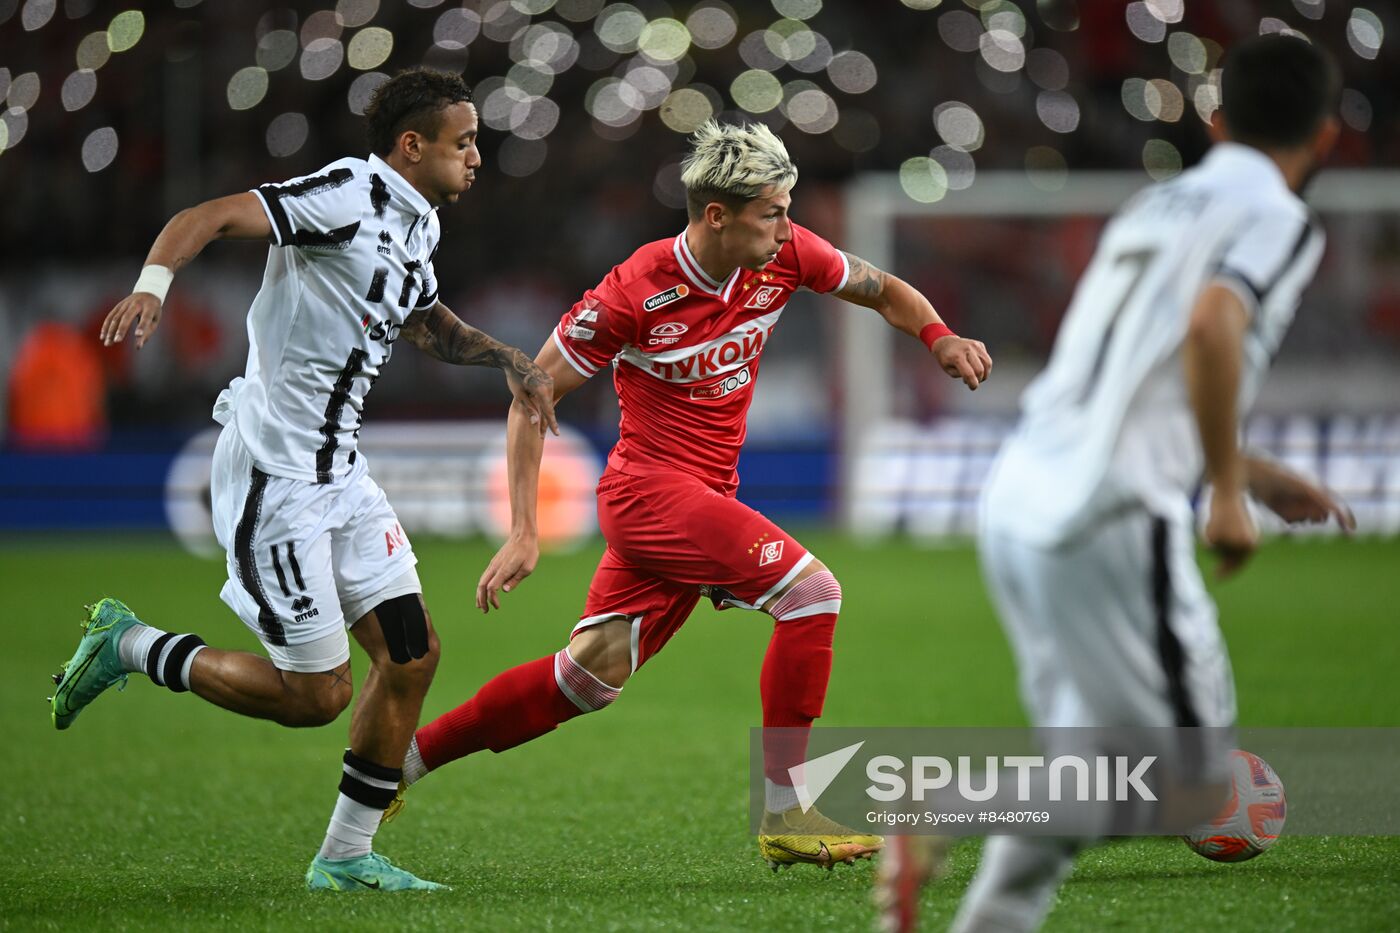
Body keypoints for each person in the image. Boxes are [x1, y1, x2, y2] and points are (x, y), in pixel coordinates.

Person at [389, 120, 993, 871]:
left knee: (585, 678)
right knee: (812, 594)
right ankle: (788, 809)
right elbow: (529, 395)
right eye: (772, 213)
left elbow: (884, 290)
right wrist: (523, 528)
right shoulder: (634, 290)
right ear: (717, 215)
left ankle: (398, 761)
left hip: (701, 497)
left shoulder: (787, 255)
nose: (787, 228)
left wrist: (939, 337)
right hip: (647, 493)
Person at [874, 33, 1355, 932]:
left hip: (1023, 492)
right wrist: (1225, 490)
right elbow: (1214, 324)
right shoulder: (1278, 217)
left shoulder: (1152, 206)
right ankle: (949, 808)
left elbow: (1122, 375)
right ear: (1326, 136)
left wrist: (1251, 472)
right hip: (1110, 511)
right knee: (1193, 784)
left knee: (1078, 772)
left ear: (1216, 122)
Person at [50, 68, 557, 892]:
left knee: (413, 655)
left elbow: (423, 319)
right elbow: (208, 217)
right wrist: (152, 287)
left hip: (341, 473)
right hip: (275, 475)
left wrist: (508, 359)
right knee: (315, 695)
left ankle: (346, 858)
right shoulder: (347, 193)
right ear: (411, 145)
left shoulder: (418, 223)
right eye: (463, 142)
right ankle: (129, 644)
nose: (476, 157)